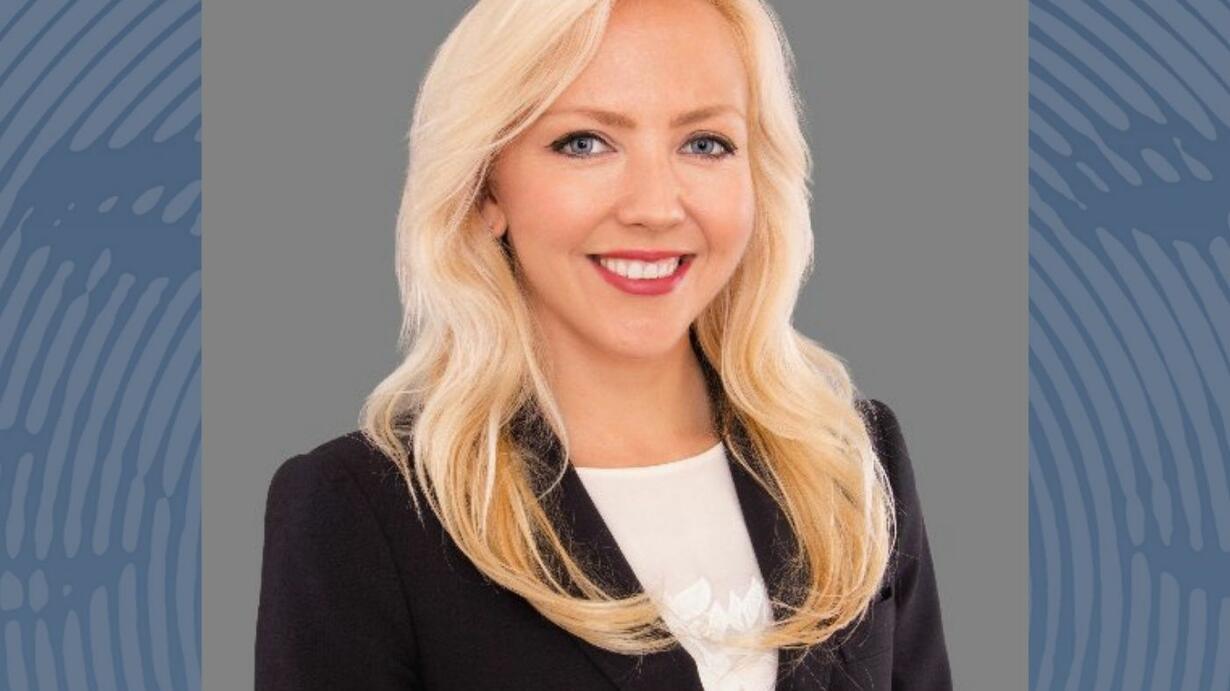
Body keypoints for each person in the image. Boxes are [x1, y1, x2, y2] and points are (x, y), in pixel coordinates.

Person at [254, 0, 954, 689]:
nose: (655, 207)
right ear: (485, 188)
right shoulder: (361, 512)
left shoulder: (849, 465)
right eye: (584, 143)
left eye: (705, 143)